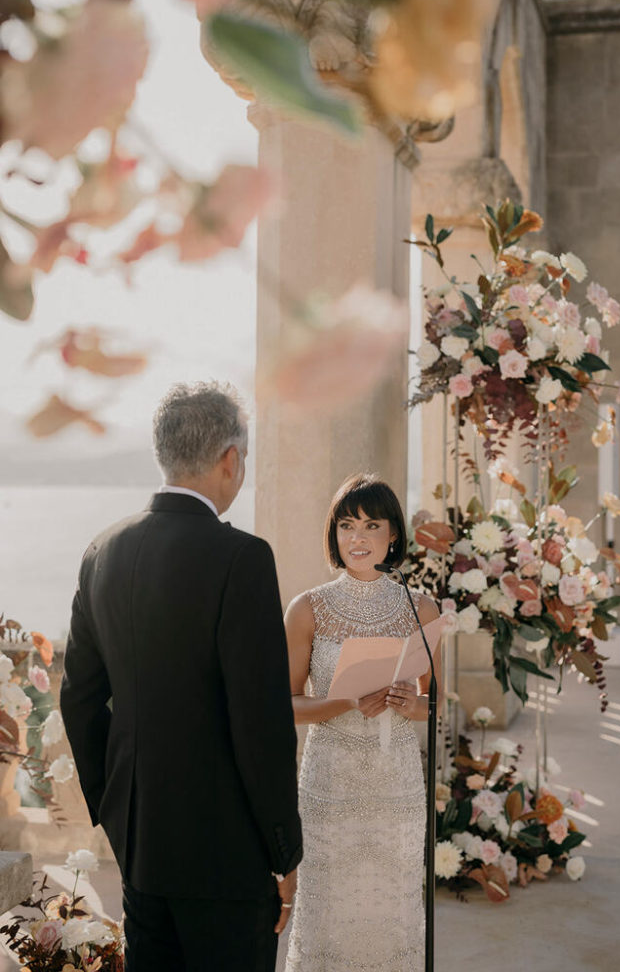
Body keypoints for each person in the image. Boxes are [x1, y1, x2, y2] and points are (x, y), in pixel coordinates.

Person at [60, 382, 302, 972]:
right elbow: (260, 721)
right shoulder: (243, 558)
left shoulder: (101, 551)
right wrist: (284, 851)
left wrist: (116, 815)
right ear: (230, 458)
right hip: (228, 855)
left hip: (141, 849)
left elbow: (78, 701)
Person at [283, 473, 441, 972]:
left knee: (393, 917)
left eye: (371, 525)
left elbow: (434, 707)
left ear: (392, 534)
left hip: (397, 791)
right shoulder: (307, 609)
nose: (357, 537)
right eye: (347, 525)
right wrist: (347, 701)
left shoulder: (422, 609)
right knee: (328, 918)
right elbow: (284, 705)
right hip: (328, 789)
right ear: (334, 534)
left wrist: (404, 700)